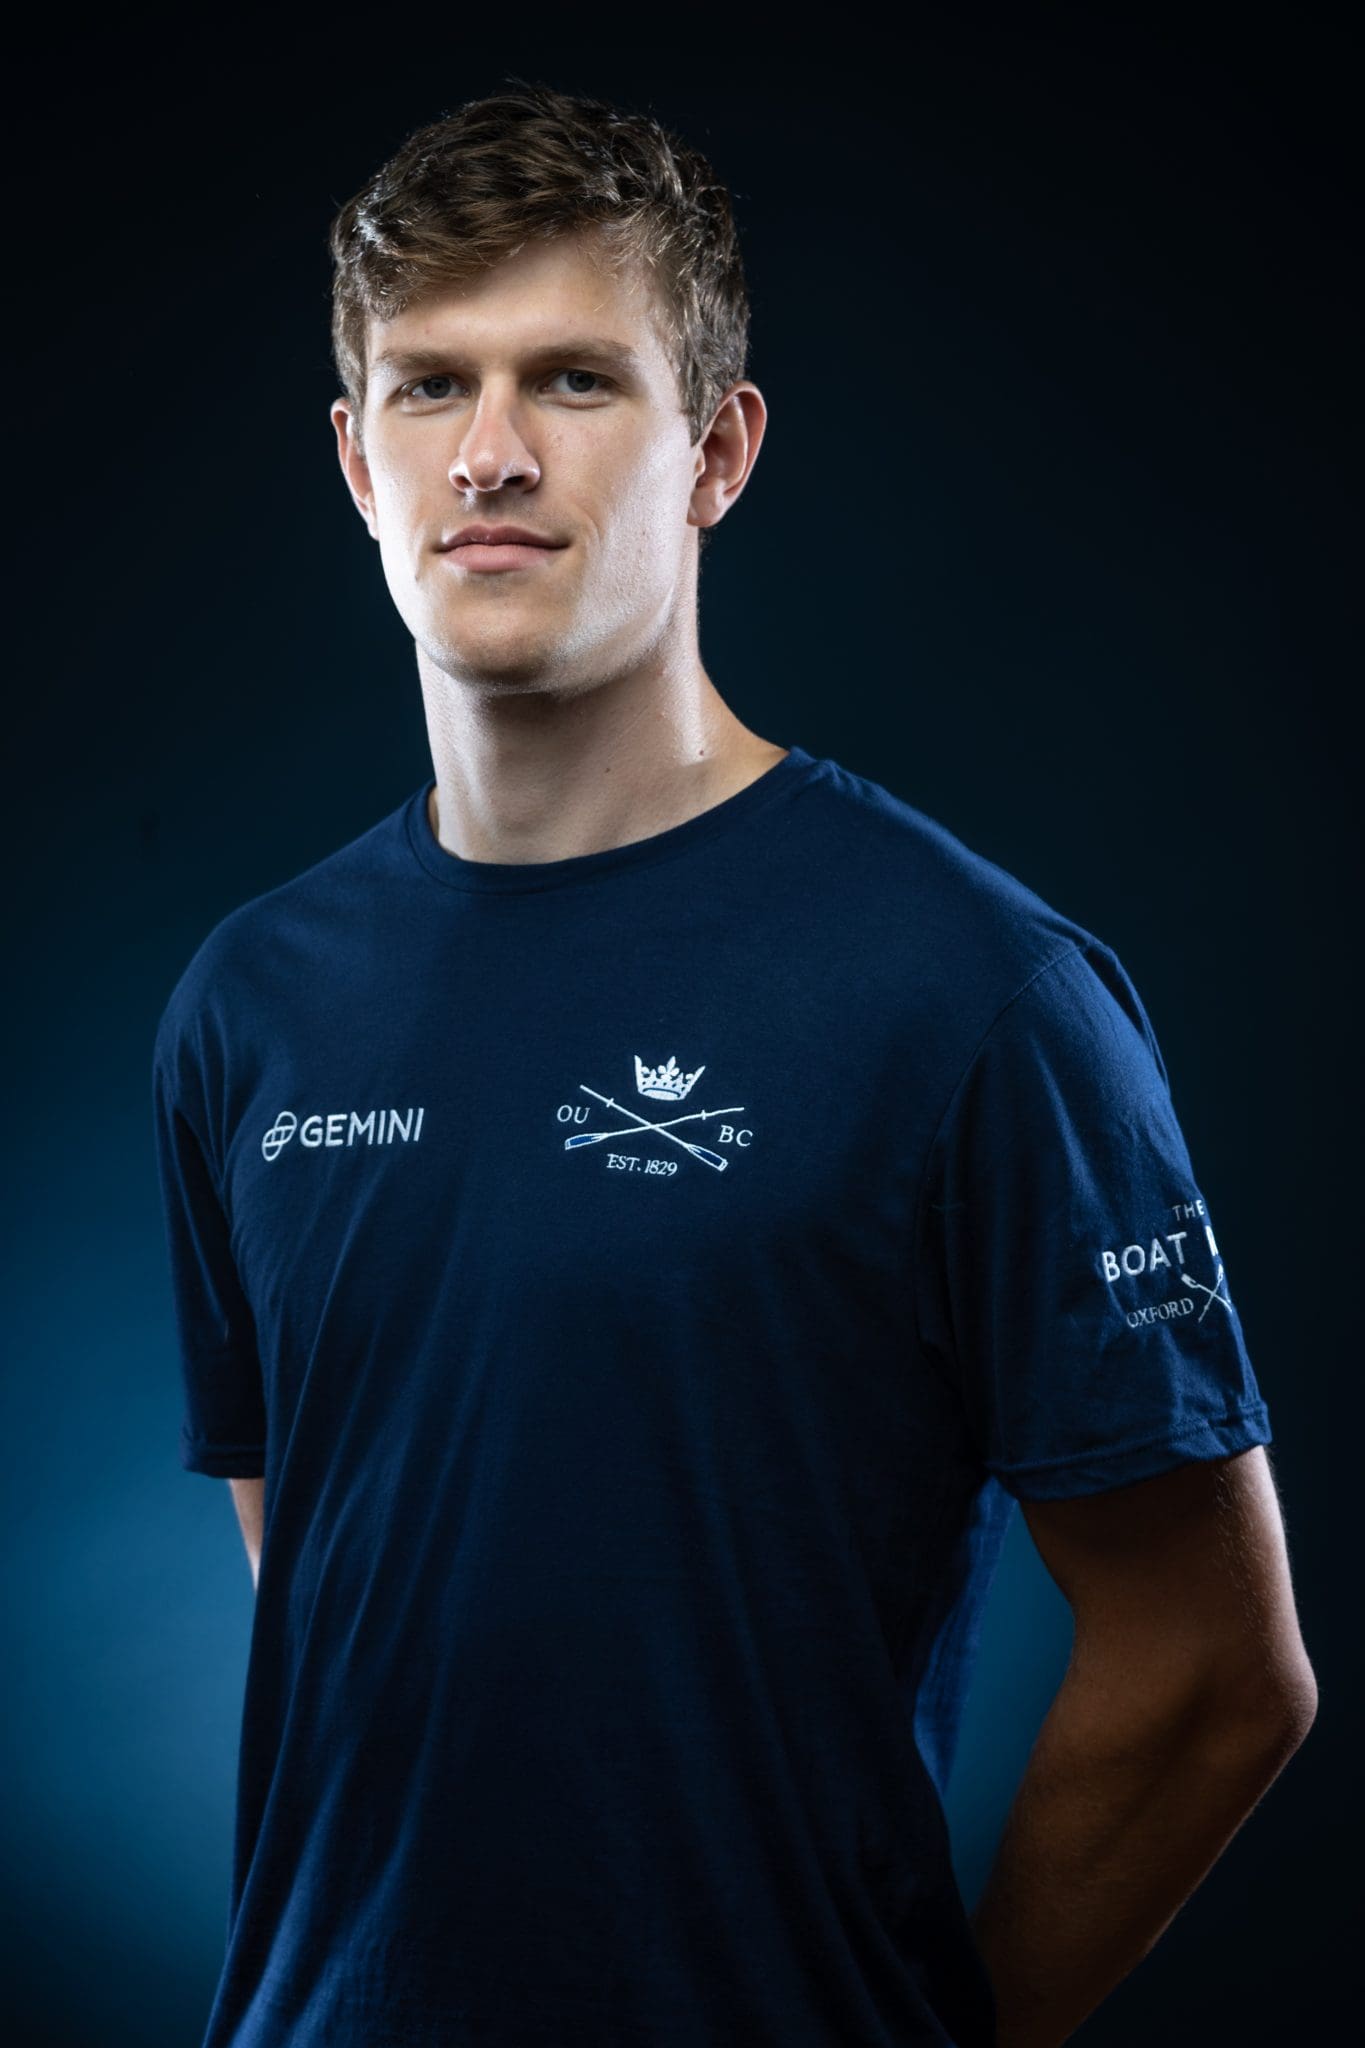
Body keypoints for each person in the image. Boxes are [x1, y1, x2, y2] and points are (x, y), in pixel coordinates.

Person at [150, 80, 1316, 2048]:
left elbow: (1216, 1671)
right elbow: (340, 1581)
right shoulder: (247, 1005)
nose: (490, 453)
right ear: (357, 460)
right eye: (429, 387)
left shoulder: (974, 991)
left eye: (573, 379)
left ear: (717, 451)